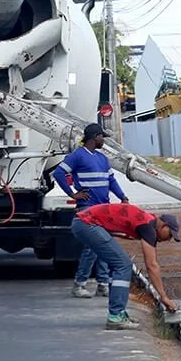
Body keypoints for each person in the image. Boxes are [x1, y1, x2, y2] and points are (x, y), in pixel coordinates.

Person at [71, 202, 181, 330]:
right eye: (170, 234)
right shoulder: (148, 227)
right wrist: (163, 297)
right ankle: (115, 316)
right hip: (87, 224)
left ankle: (119, 313)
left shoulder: (148, 223)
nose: (169, 239)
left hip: (84, 223)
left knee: (118, 264)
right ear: (163, 226)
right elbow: (151, 265)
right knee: (123, 265)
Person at [54, 123, 129, 299]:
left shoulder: (102, 158)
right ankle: (80, 284)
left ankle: (102, 283)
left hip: (103, 208)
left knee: (102, 245)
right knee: (93, 247)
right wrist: (73, 194)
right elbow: (59, 173)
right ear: (94, 137)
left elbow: (111, 180)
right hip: (88, 209)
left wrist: (122, 197)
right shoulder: (77, 156)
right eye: (102, 137)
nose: (104, 140)